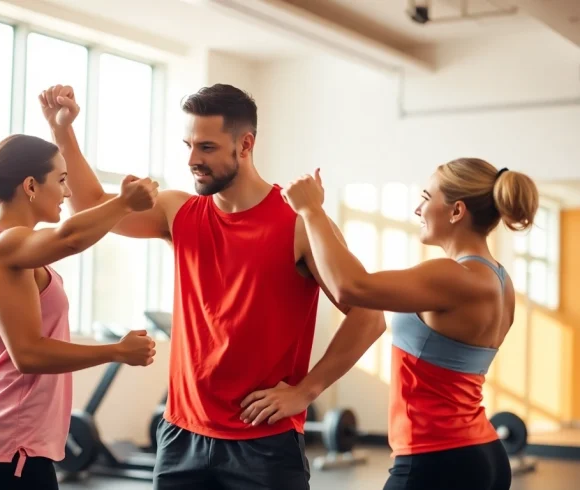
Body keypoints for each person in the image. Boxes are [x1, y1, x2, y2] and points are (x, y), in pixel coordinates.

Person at [38, 83, 386, 489]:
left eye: (206, 147)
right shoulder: (178, 211)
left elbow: (369, 317)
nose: (191, 160)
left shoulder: (298, 224)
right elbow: (92, 207)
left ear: (245, 145)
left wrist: (306, 391)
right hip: (181, 436)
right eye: (188, 145)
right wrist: (62, 131)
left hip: (264, 443)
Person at [279, 160, 539, 490]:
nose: (418, 209)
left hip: (437, 462)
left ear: (457, 211)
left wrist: (311, 211)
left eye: (426, 197)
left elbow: (352, 287)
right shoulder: (501, 281)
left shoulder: (453, 275)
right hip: (482, 454)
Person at [0, 133, 159, 490]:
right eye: (61, 180)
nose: (66, 192)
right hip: (10, 446)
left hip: (4, 443)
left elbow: (65, 238)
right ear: (31, 186)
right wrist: (116, 351)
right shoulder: (6, 246)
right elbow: (29, 353)